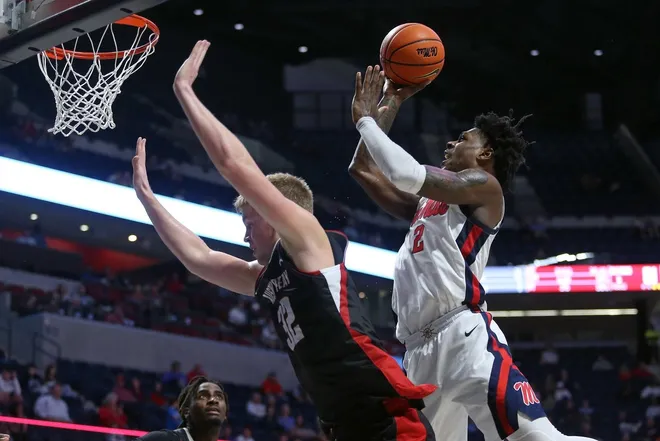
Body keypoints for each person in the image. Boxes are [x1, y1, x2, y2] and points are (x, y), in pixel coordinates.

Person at [132, 41, 436, 441]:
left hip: (385, 416)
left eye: (250, 220)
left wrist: (185, 90)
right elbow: (199, 258)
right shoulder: (266, 276)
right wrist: (148, 199)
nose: (244, 234)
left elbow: (234, 165)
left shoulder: (308, 240)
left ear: (280, 217)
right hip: (347, 424)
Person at [349, 65, 598, 441]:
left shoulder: (484, 186)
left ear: (486, 153)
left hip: (463, 335)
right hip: (417, 352)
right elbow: (362, 167)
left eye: (462, 138)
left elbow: (406, 173)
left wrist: (365, 120)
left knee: (536, 439)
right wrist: (392, 100)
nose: (451, 144)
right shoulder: (426, 205)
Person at [135, 377, 227, 441]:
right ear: (187, 412)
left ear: (225, 414)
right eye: (203, 396)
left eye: (219, 397)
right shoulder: (162, 439)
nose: (213, 400)